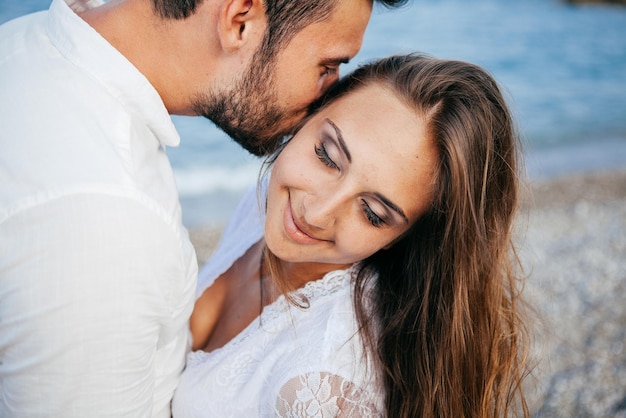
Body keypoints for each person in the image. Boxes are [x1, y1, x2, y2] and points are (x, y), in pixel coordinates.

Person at [0, 0, 406, 416]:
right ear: (240, 20)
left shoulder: (22, 43)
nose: (327, 95)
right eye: (328, 66)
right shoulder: (109, 225)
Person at [172, 54, 532, 417]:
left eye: (373, 213)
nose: (315, 213)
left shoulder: (323, 386)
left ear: (399, 239)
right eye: (327, 156)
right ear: (308, 116)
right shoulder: (266, 204)